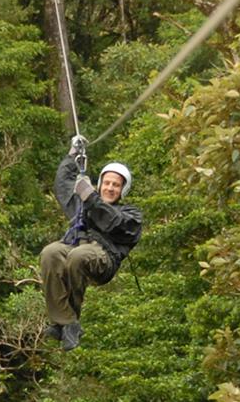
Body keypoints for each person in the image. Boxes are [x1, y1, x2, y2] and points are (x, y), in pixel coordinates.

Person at [41, 135, 144, 351]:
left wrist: (91, 198)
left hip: (103, 258)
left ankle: (69, 321)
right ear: (100, 183)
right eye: (106, 183)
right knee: (50, 253)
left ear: (122, 190)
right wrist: (72, 155)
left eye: (115, 185)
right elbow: (62, 184)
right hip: (76, 246)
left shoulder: (131, 214)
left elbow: (113, 222)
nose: (109, 188)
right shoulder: (84, 204)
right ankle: (65, 322)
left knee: (78, 256)